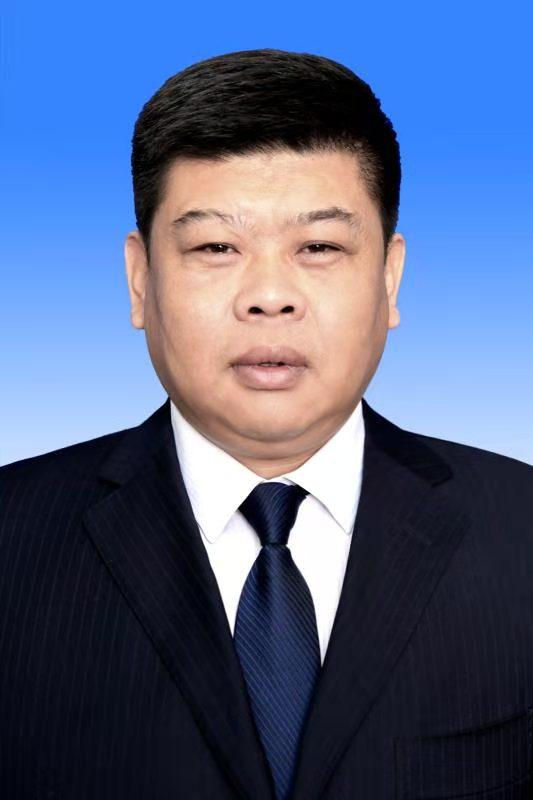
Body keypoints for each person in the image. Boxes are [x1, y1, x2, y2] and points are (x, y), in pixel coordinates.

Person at [1, 48, 532, 800]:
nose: (270, 295)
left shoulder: (521, 531)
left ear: (389, 278)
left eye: (319, 247)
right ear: (140, 280)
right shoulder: (12, 538)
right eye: (216, 247)